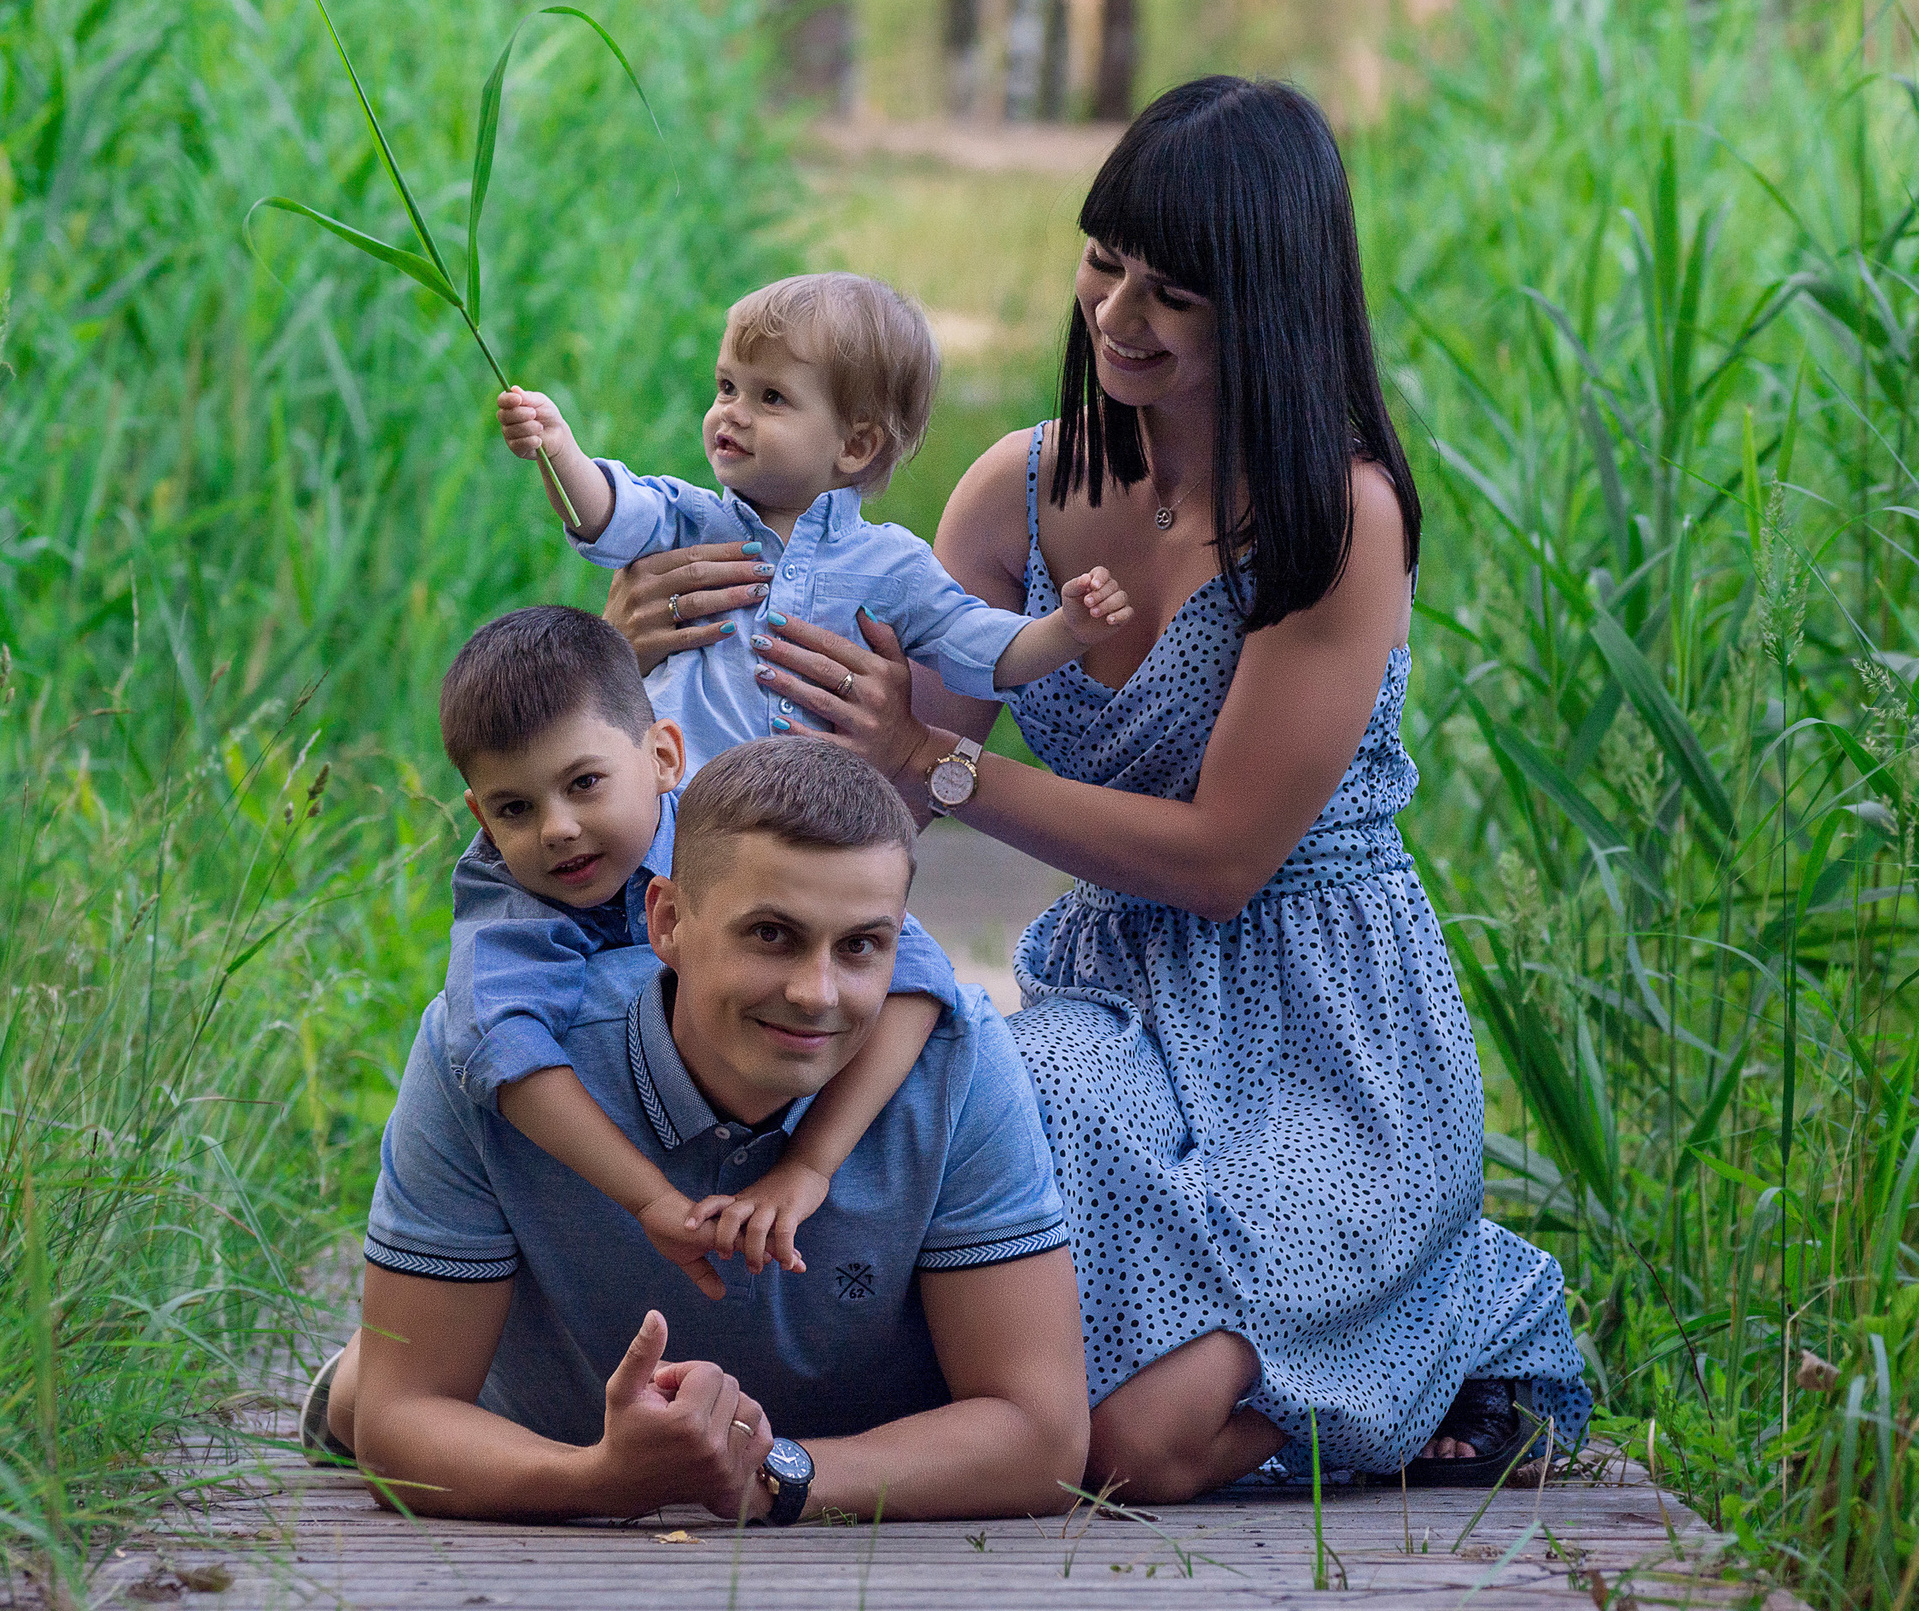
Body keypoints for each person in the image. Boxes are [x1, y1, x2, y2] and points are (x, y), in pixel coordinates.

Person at [604, 77, 1591, 1499]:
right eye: (1103, 262)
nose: (1118, 315)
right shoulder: (1019, 491)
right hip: (1110, 992)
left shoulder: (1338, 516)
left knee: (1140, 1446)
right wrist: (665, 662)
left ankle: (1454, 1332)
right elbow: (871, 796)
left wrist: (937, 757)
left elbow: (1220, 858)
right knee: (1012, 1289)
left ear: (1268, 300)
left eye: (1172, 292)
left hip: (1326, 1023)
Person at [320, 738, 1088, 1523]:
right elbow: (402, 1420)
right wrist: (600, 1479)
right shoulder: (496, 1057)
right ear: (667, 920)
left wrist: (773, 1474)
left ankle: (363, 1362)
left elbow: (1042, 1433)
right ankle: (353, 1371)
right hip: (543, 1437)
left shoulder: (956, 1056)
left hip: (841, 1460)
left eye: (860, 944)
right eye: (771, 935)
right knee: (368, 1395)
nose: (816, 992)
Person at [494, 271, 1130, 782]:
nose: (731, 414)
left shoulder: (892, 567)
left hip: (813, 842)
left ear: (854, 446)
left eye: (770, 397)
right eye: (725, 387)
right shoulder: (690, 519)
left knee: (904, 950)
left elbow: (982, 648)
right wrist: (559, 449)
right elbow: (604, 510)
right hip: (675, 816)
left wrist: (1066, 629)